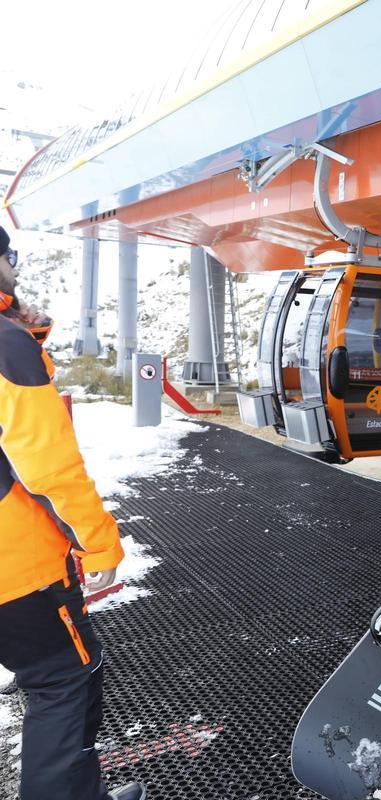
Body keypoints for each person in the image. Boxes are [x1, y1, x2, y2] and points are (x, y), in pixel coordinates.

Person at [0, 234, 145, 800]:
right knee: (64, 680)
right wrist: (98, 544)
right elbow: (47, 467)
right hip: (18, 570)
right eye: (8, 257)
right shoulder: (7, 349)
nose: (15, 265)